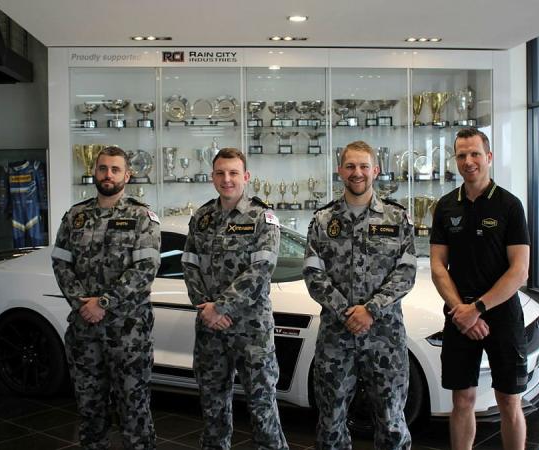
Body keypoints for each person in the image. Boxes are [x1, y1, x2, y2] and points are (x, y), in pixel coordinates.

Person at [303, 140, 417, 449]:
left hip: (385, 336)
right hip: (335, 339)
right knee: (330, 423)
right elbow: (313, 274)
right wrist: (346, 312)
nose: (357, 172)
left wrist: (371, 310)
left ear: (375, 171)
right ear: (340, 171)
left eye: (364, 166)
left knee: (392, 423)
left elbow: (406, 273)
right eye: (350, 166)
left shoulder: (396, 218)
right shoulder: (323, 220)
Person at [51, 145, 161, 450]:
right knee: (89, 409)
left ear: (127, 175)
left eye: (115, 169)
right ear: (94, 171)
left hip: (128, 333)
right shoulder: (75, 216)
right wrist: (81, 303)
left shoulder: (142, 217)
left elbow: (145, 269)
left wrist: (103, 303)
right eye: (103, 168)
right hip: (85, 330)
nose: (108, 174)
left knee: (134, 410)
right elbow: (61, 262)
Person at [429, 128, 530, 450]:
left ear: (489, 157)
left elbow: (519, 271)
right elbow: (437, 266)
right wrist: (462, 311)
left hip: (501, 315)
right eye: (461, 155)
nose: (468, 161)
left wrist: (478, 309)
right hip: (459, 314)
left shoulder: (509, 205)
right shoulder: (446, 206)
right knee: (462, 399)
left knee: (509, 401)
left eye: (475, 154)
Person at [181, 147, 288, 450]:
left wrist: (220, 307)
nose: (226, 179)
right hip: (210, 329)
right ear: (212, 177)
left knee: (262, 406)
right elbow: (189, 264)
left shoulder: (263, 218)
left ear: (246, 176)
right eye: (220, 173)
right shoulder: (202, 217)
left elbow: (260, 270)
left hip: (251, 330)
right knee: (212, 404)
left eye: (233, 173)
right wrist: (206, 307)